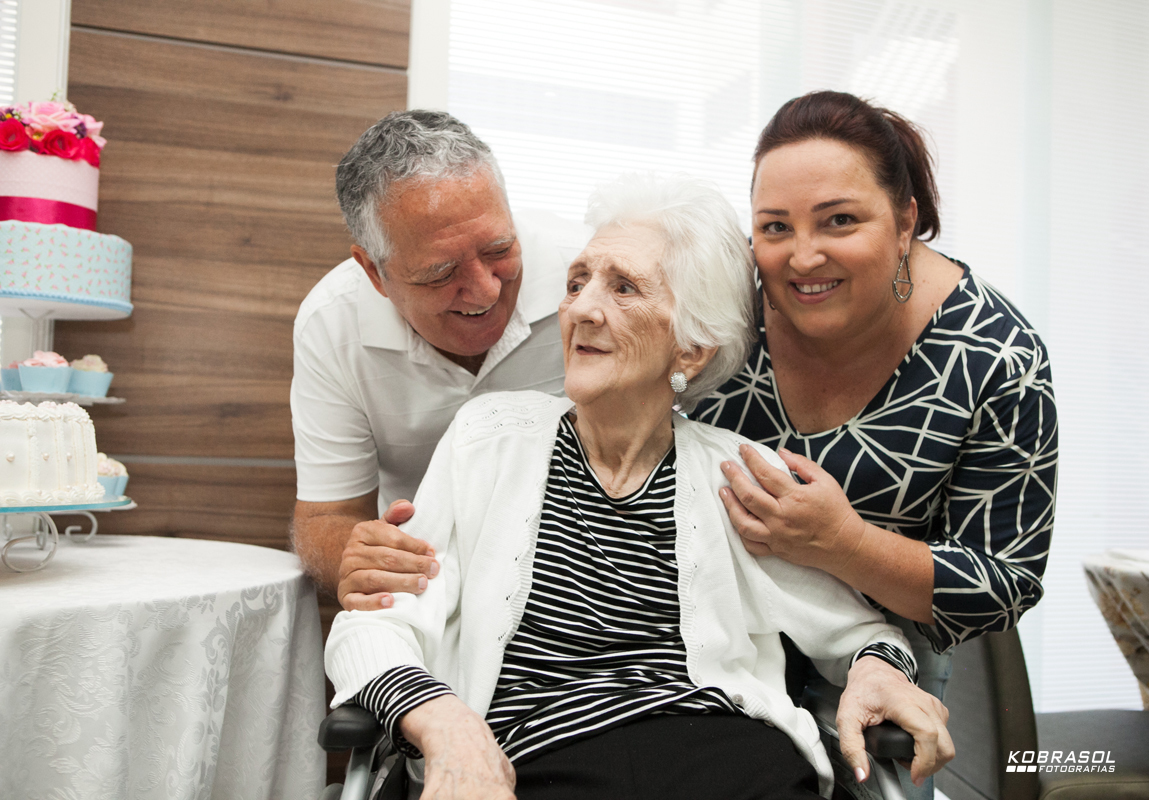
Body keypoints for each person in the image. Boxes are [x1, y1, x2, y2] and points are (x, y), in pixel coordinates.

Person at [326, 174, 953, 800]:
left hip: (729, 766)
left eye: (623, 287)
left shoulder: (738, 474)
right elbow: (375, 625)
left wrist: (879, 672)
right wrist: (448, 729)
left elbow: (861, 633)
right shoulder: (487, 439)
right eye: (577, 282)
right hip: (535, 763)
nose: (582, 308)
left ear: (691, 349)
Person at [692, 91, 1057, 798]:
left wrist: (843, 543)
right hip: (715, 645)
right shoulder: (724, 302)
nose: (803, 256)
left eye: (840, 220)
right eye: (775, 226)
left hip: (883, 667)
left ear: (905, 220)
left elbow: (1004, 583)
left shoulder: (995, 356)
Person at [290, 110, 589, 597]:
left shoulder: (588, 272)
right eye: (441, 273)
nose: (486, 291)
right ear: (374, 272)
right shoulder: (331, 323)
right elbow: (327, 516)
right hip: (426, 583)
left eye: (499, 249)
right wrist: (365, 557)